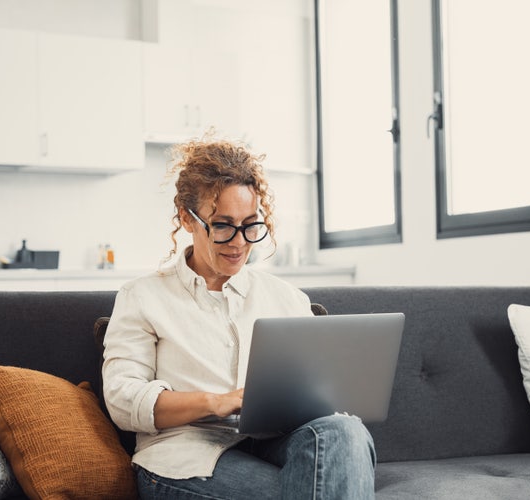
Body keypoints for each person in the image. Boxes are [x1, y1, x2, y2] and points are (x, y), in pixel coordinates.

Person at [102, 137, 376, 499]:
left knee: (347, 432)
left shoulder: (287, 298)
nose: (239, 242)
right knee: (308, 489)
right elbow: (124, 399)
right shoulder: (143, 297)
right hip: (184, 457)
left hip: (272, 441)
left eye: (250, 225)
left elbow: (319, 391)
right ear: (187, 217)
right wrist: (215, 402)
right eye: (222, 225)